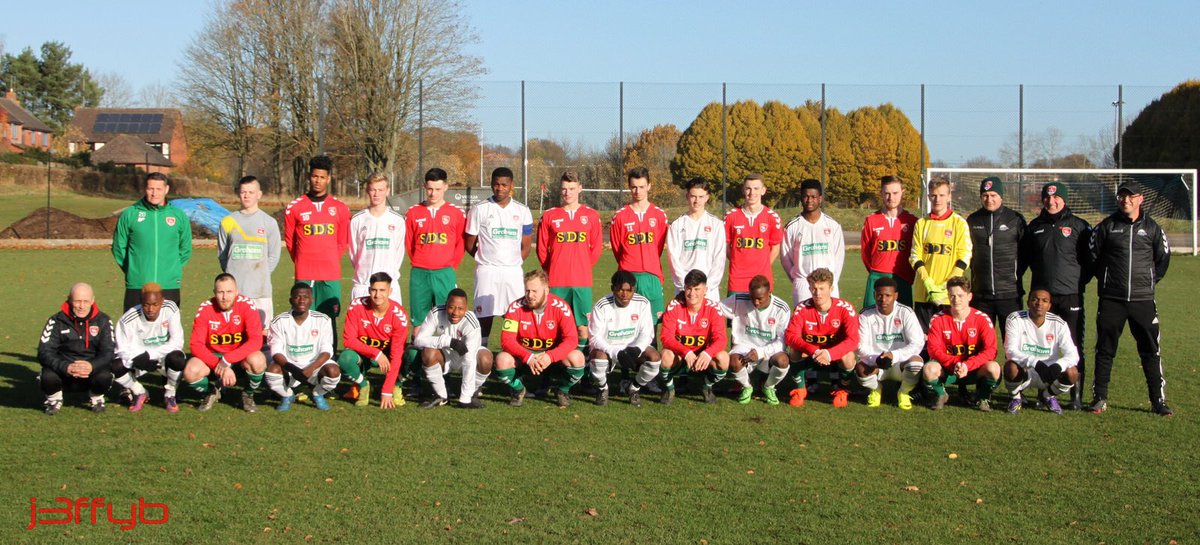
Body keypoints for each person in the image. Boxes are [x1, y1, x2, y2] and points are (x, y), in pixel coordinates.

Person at [1089, 180, 1172, 416]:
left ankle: (1158, 401)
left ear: (1140, 199)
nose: (1126, 200)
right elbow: (1092, 257)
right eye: (1122, 197)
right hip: (1111, 300)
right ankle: (1099, 398)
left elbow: (1163, 259)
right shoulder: (1106, 226)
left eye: (1131, 197)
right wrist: (1107, 281)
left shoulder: (1153, 228)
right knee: (1104, 350)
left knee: (1150, 351)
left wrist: (1147, 283)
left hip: (1143, 300)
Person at [1021, 181, 1092, 410]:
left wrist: (1077, 282)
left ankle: (1075, 395)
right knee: (1042, 346)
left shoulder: (1080, 226)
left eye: (1056, 198)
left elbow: (1090, 261)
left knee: (1073, 345)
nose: (1051, 202)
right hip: (1042, 299)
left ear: (1064, 199)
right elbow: (1026, 259)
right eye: (1047, 198)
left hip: (1070, 296)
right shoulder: (1034, 227)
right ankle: (1044, 391)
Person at [495, 269, 587, 408]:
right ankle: (518, 389)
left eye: (534, 291)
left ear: (546, 290)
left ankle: (563, 391)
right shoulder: (515, 308)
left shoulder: (561, 307)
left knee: (577, 358)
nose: (530, 295)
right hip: (525, 358)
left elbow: (571, 339)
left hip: (552, 360)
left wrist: (550, 356)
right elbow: (506, 341)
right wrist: (529, 357)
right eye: (527, 291)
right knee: (502, 360)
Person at [283, 155, 350, 344]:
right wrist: (304, 260)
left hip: (330, 274)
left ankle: (330, 363)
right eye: (314, 176)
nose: (317, 181)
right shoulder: (294, 207)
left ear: (328, 178)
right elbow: (290, 242)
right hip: (305, 272)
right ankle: (302, 359)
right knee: (302, 317)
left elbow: (342, 242)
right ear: (309, 177)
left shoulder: (340, 208)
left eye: (322, 177)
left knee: (329, 319)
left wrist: (327, 259)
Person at [464, 167, 533, 339]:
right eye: (496, 184)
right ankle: (481, 352)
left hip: (512, 272)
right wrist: (485, 260)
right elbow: (469, 243)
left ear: (512, 186)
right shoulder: (479, 209)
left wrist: (513, 261)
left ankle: (511, 351)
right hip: (487, 270)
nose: (500, 188)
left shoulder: (522, 210)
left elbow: (526, 246)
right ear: (491, 184)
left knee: (513, 313)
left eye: (504, 184)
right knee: (484, 314)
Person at [182, 273, 267, 412]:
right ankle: (212, 392)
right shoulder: (205, 308)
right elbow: (195, 345)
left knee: (258, 360)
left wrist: (227, 360)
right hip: (213, 360)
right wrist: (220, 365)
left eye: (229, 292)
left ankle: (248, 394)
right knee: (190, 371)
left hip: (239, 359)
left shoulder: (247, 305)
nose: (225, 297)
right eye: (220, 292)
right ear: (214, 293)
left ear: (237, 292)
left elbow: (256, 340)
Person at [537, 171, 603, 349]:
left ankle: (582, 366)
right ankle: (555, 365)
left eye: (572, 188)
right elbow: (542, 249)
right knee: (555, 325)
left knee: (582, 327)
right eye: (564, 189)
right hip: (557, 281)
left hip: (582, 281)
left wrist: (582, 266)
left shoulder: (591, 215)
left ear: (580, 189)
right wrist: (552, 269)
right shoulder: (550, 215)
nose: (568, 193)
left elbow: (596, 248)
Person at [112, 172, 192, 311]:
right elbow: (119, 247)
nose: (154, 193)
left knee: (167, 330)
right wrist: (133, 269)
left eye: (159, 189)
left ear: (166, 189)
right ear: (145, 189)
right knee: (134, 330)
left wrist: (173, 269)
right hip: (138, 284)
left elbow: (185, 249)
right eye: (151, 189)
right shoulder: (130, 214)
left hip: (169, 284)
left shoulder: (178, 216)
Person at [781, 268, 860, 408]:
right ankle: (800, 389)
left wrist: (830, 353)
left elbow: (853, 339)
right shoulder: (802, 308)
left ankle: (842, 390)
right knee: (794, 350)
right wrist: (814, 350)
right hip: (813, 354)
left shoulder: (845, 308)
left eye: (822, 288)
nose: (817, 293)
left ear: (831, 288)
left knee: (849, 356)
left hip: (834, 355)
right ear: (810, 288)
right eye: (814, 288)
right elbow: (790, 336)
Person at [922, 277, 1000, 411]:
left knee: (994, 368)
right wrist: (954, 364)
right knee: (929, 369)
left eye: (960, 295)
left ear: (970, 296)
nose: (956, 300)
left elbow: (991, 351)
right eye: (952, 295)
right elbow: (934, 350)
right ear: (948, 296)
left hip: (973, 369)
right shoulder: (938, 319)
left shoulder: (982, 319)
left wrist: (967, 365)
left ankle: (982, 398)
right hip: (949, 368)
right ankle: (941, 395)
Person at [37, 283, 116, 415]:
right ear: (69, 299)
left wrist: (92, 366)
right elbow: (44, 352)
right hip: (64, 373)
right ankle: (53, 400)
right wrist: (66, 367)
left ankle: (96, 397)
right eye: (77, 301)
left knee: (105, 376)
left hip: (91, 372)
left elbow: (109, 352)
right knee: (47, 376)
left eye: (86, 301)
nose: (81, 306)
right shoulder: (56, 321)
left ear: (92, 300)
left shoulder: (103, 321)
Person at [217, 175, 281, 332]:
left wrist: (261, 274)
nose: (246, 195)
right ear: (238, 193)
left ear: (259, 194)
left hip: (261, 292)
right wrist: (234, 276)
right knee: (236, 335)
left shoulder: (269, 222)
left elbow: (274, 256)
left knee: (262, 337)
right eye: (243, 192)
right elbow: (223, 255)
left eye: (251, 192)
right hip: (235, 293)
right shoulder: (227, 221)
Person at [337, 272, 410, 409]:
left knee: (412, 355)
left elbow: (396, 354)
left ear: (390, 291)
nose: (377, 295)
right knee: (345, 358)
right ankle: (363, 386)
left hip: (388, 357)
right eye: (374, 290)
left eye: (382, 290)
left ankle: (396, 386)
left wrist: (387, 390)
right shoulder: (357, 306)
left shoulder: (399, 316)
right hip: (366, 355)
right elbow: (348, 340)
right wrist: (376, 353)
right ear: (369, 290)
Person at [405, 167, 466, 328]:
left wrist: (451, 266)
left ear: (445, 187)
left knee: (446, 319)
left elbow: (460, 243)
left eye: (438, 189)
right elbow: (409, 243)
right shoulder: (413, 212)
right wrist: (420, 260)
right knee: (419, 322)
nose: (433, 193)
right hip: (419, 273)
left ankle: (444, 352)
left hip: (444, 273)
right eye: (430, 189)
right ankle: (418, 351)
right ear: (425, 186)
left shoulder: (456, 213)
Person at [412, 288, 493, 409]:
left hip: (466, 357)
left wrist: (465, 399)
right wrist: (448, 341)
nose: (455, 312)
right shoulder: (436, 312)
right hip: (445, 355)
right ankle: (441, 396)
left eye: (460, 309)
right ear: (445, 305)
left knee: (485, 359)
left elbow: (469, 361)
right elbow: (419, 340)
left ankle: (472, 393)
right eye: (451, 307)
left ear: (466, 309)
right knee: (428, 353)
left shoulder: (472, 323)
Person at [1003, 288, 1079, 415]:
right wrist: (1035, 363)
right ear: (1028, 303)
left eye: (1044, 301)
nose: (1039, 303)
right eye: (1035, 299)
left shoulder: (1059, 323)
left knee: (1072, 372)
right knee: (1010, 366)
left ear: (1049, 306)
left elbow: (1073, 354)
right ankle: (1016, 398)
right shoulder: (1015, 318)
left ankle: (1047, 396)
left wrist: (1058, 366)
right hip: (1026, 369)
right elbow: (1010, 350)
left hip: (1048, 372)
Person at [658, 270, 730, 404]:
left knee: (723, 358)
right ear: (684, 288)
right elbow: (665, 337)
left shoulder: (713, 308)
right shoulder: (674, 306)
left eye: (697, 289)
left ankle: (706, 387)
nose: (692, 293)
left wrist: (707, 353)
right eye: (689, 289)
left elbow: (721, 339)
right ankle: (669, 389)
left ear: (706, 290)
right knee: (665, 356)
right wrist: (686, 352)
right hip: (680, 356)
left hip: (702, 359)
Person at [588, 270, 659, 406]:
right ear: (613, 289)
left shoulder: (642, 303)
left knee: (654, 358)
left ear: (634, 289)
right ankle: (603, 389)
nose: (625, 294)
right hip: (609, 349)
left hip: (632, 349)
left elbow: (647, 333)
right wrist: (616, 352)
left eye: (629, 290)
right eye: (620, 290)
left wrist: (636, 349)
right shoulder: (601, 305)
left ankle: (634, 388)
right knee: (598, 358)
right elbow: (594, 338)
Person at [909, 177, 972, 329]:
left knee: (948, 341)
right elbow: (915, 255)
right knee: (923, 343)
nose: (938, 199)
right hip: (924, 293)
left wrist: (947, 283)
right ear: (929, 196)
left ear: (949, 196)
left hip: (949, 296)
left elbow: (964, 256)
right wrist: (928, 283)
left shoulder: (959, 223)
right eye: (934, 195)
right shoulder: (921, 223)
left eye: (942, 195)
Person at [113, 283, 186, 413]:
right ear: (141, 301)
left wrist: (150, 355)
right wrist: (138, 360)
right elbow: (121, 349)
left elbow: (177, 342)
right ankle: (140, 392)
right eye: (146, 304)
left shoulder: (170, 309)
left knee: (178, 358)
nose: (150, 309)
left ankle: (170, 394)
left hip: (163, 357)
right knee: (115, 366)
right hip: (139, 359)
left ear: (162, 301)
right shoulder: (127, 320)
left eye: (155, 304)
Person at [264, 283, 337, 411]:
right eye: (297, 297)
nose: (302, 300)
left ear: (312, 300)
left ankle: (318, 394)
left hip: (314, 365)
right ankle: (287, 395)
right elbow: (276, 352)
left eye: (306, 297)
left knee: (333, 371)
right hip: (289, 366)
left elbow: (327, 350)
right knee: (272, 371)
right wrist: (293, 369)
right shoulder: (279, 321)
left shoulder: (323, 320)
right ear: (291, 300)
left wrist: (311, 368)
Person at [855, 277, 925, 410]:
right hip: (877, 363)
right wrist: (876, 358)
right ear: (874, 295)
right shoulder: (865, 314)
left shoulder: (906, 312)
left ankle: (904, 392)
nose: (883, 299)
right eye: (879, 295)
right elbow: (860, 346)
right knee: (859, 368)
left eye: (888, 295)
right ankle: (875, 389)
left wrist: (893, 355)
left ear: (896, 296)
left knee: (916, 363)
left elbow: (917, 343)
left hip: (900, 362)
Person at [720, 275, 791, 405]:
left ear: (769, 292)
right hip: (744, 346)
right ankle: (747, 387)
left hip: (769, 350)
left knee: (783, 360)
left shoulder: (781, 308)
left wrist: (760, 352)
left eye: (760, 298)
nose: (756, 302)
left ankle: (768, 387)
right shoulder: (739, 299)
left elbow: (782, 342)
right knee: (734, 362)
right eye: (752, 298)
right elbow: (715, 308)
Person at [609, 167, 669, 319]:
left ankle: (652, 345)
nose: (638, 191)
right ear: (629, 187)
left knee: (653, 323)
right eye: (634, 187)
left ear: (649, 185)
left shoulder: (659, 215)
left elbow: (658, 247)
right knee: (628, 322)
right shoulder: (620, 216)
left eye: (642, 187)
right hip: (628, 276)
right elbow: (617, 248)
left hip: (652, 276)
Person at [967, 176, 1027, 328]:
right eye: (985, 195)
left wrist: (1014, 275)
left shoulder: (1015, 219)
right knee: (981, 345)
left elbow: (1026, 254)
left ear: (1001, 196)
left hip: (1010, 294)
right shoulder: (973, 220)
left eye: (993, 195)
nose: (989, 199)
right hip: (981, 294)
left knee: (1012, 344)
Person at [782, 179, 845, 306]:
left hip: (828, 283)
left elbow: (839, 257)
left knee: (829, 323)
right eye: (806, 196)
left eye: (813, 197)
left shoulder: (832, 225)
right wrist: (797, 279)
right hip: (803, 285)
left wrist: (831, 281)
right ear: (801, 198)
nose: (809, 200)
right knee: (804, 323)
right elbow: (786, 258)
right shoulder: (792, 226)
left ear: (820, 198)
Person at [860, 175, 918, 307]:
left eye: (895, 193)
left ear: (902, 192)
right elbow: (866, 253)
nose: (891, 198)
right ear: (881, 193)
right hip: (877, 278)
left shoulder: (912, 221)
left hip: (902, 278)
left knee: (902, 323)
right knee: (870, 320)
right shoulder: (871, 220)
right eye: (887, 193)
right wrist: (877, 270)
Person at [349, 172, 406, 304]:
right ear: (367, 190)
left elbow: (398, 253)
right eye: (373, 190)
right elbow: (353, 253)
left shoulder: (397, 220)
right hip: (363, 285)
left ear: (387, 191)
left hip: (389, 286)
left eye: (380, 190)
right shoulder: (357, 220)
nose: (376, 194)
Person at [667, 178, 726, 303]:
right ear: (687, 196)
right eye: (693, 196)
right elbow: (673, 259)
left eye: (701, 196)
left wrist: (707, 287)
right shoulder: (677, 225)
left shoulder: (716, 224)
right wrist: (686, 286)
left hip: (709, 292)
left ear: (707, 197)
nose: (697, 200)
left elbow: (719, 259)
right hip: (685, 291)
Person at [724, 173, 782, 295]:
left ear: (763, 190)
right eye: (748, 188)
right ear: (743, 190)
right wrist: (737, 261)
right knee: (734, 314)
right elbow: (725, 246)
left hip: (762, 281)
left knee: (761, 314)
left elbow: (775, 248)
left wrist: (763, 265)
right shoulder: (731, 216)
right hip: (737, 281)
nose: (752, 193)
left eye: (756, 188)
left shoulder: (772, 217)